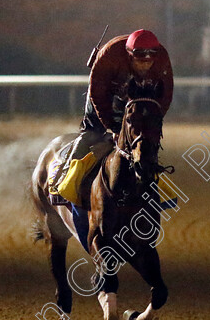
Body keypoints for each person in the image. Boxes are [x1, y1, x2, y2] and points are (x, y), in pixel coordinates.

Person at [51, 29, 174, 206]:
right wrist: (113, 127)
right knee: (91, 135)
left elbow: (165, 96)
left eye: (149, 63)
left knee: (146, 142)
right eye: (140, 62)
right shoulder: (109, 56)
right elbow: (97, 95)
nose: (144, 67)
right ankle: (63, 179)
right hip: (105, 95)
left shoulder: (162, 58)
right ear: (130, 55)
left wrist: (150, 125)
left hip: (138, 97)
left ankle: (152, 184)